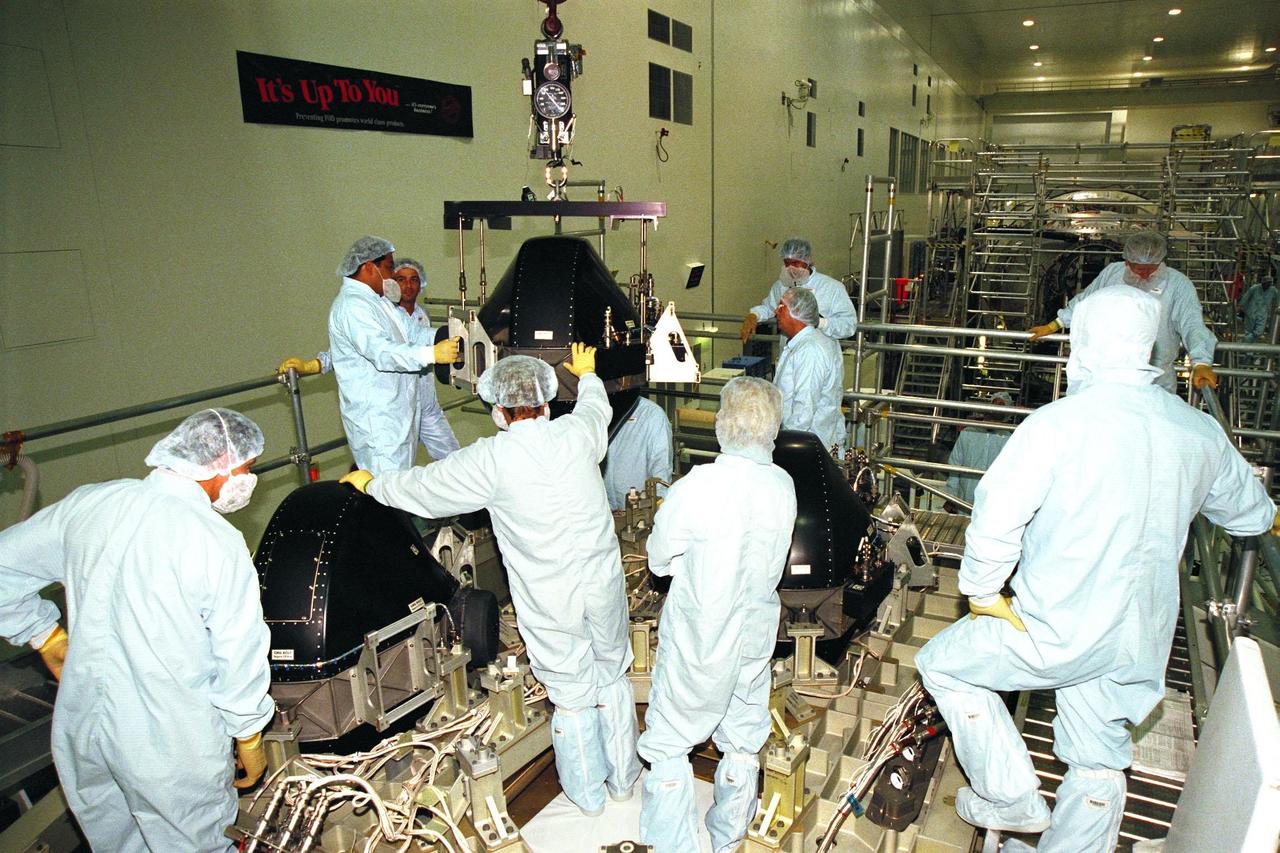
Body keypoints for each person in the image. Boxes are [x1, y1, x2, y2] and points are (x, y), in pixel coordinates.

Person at [915, 286, 1277, 853]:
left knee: (944, 664)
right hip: (1138, 636)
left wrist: (982, 592)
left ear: (1083, 344)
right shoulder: (1197, 431)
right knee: (1098, 760)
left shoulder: (1058, 426)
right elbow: (1252, 513)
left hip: (1055, 626)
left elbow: (996, 515)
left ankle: (1011, 794)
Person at [339, 345, 641, 816]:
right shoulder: (574, 435)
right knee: (612, 675)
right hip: (603, 586)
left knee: (574, 698)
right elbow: (595, 410)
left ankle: (590, 801)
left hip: (551, 599)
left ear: (498, 410)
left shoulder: (490, 460)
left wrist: (371, 483)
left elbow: (423, 488)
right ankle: (625, 783)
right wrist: (586, 375)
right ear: (545, 402)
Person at [0, 409, 276, 852]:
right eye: (248, 467)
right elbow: (239, 654)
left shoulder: (89, 503)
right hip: (169, 743)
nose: (249, 478)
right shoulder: (214, 540)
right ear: (222, 461)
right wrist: (248, 733)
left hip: (83, 730)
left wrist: (44, 635)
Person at [638, 377, 796, 853]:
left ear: (722, 424)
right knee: (743, 740)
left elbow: (657, 560)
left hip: (701, 643)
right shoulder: (782, 485)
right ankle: (729, 839)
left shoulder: (698, 487)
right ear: (771, 427)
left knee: (667, 743)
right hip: (754, 636)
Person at [276, 236, 459, 475]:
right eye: (390, 267)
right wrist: (432, 353)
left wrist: (456, 338)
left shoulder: (379, 302)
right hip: (379, 420)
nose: (392, 274)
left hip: (399, 413)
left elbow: (413, 331)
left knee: (400, 488)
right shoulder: (353, 306)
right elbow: (381, 351)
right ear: (369, 267)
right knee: (387, 493)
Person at [1029, 230, 1218, 394]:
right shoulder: (1113, 273)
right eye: (1138, 269)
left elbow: (1192, 324)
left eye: (1150, 269)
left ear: (1161, 262)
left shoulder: (1178, 285)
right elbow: (1085, 301)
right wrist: (1055, 325)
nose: (1144, 275)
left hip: (1156, 375)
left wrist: (1201, 362)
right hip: (1106, 372)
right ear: (1126, 261)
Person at [774, 286, 847, 454]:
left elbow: (804, 408)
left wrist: (785, 446)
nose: (776, 312)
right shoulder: (806, 343)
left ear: (797, 311)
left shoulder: (810, 349)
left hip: (808, 445)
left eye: (781, 307)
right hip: (808, 442)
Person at [740, 237, 857, 342]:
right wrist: (754, 315)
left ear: (807, 261)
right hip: (790, 351)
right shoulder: (781, 285)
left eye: (796, 263)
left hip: (819, 352)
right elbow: (770, 308)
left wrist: (821, 322)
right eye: (787, 263)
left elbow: (849, 325)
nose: (791, 268)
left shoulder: (831, 288)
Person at [942, 391, 1013, 510]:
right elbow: (955, 467)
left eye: (1000, 407)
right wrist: (951, 497)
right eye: (994, 405)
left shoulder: (1009, 439)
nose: (995, 410)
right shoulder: (968, 433)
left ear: (1005, 415)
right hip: (965, 503)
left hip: (993, 505)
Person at [603, 396, 673, 510]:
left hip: (639, 511)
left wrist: (654, 511)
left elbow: (660, 474)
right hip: (602, 511)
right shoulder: (595, 412)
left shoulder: (652, 416)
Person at [1238, 275, 1278, 343]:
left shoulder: (1273, 290)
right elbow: (1246, 297)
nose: (1267, 285)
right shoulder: (1254, 288)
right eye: (1266, 283)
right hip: (1250, 313)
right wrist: (1240, 306)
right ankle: (1249, 351)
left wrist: (1277, 306)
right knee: (1249, 331)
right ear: (1262, 283)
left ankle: (1242, 342)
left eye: (1269, 283)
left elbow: (1278, 298)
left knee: (1258, 332)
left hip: (1263, 314)